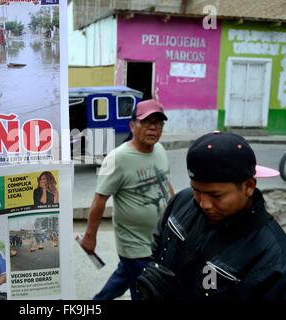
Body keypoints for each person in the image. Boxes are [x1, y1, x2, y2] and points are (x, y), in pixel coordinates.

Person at [136, 131, 286, 300]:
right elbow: (158, 246)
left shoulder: (272, 259)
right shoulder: (182, 201)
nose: (204, 204)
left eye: (216, 195)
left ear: (249, 186)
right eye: (196, 190)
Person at [80, 99, 174, 300]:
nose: (153, 127)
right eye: (147, 122)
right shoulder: (118, 158)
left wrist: (176, 215)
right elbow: (99, 199)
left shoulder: (160, 150)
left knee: (125, 275)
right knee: (146, 292)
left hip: (158, 240)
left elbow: (166, 184)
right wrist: (90, 236)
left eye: (158, 122)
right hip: (135, 245)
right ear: (132, 126)